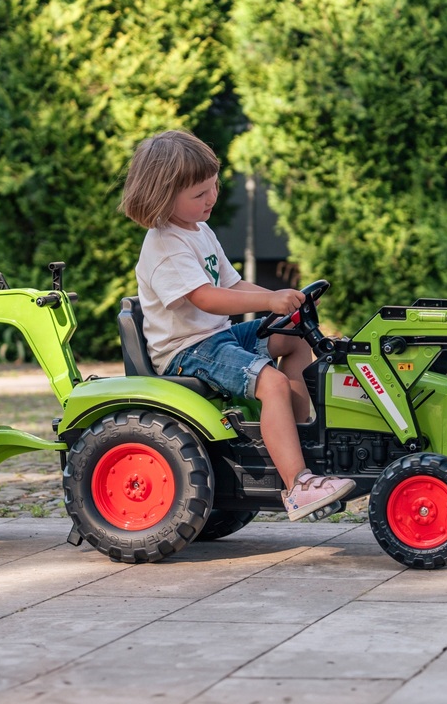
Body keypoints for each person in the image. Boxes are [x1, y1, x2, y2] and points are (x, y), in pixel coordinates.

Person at [120, 129, 355, 521]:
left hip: (217, 336)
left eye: (213, 187)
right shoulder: (165, 244)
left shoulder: (199, 230)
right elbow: (206, 298)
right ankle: (298, 484)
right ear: (163, 194)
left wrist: (283, 303)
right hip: (187, 351)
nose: (211, 198)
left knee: (292, 338)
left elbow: (232, 285)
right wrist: (268, 301)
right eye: (199, 194)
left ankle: (296, 439)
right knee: (272, 382)